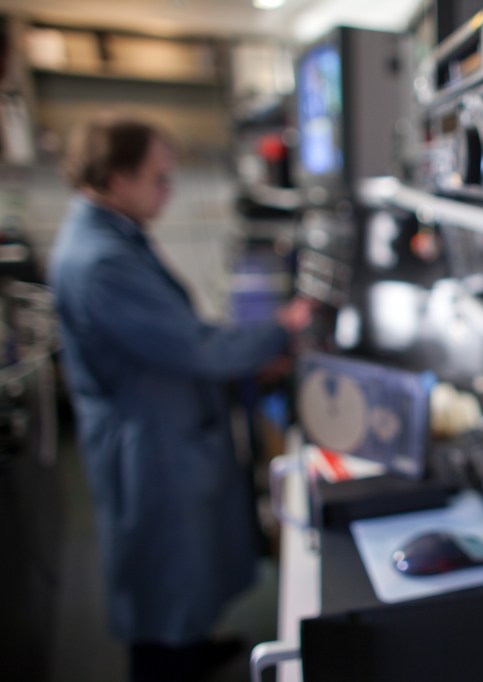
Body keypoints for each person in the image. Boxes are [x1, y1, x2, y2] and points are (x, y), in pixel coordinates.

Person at [48, 116, 314, 681]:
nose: (167, 191)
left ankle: (191, 649)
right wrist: (280, 328)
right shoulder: (101, 261)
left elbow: (171, 336)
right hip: (149, 445)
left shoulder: (113, 236)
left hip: (161, 424)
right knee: (164, 572)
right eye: (159, 179)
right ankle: (168, 666)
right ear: (116, 178)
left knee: (184, 567)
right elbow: (194, 346)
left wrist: (249, 357)